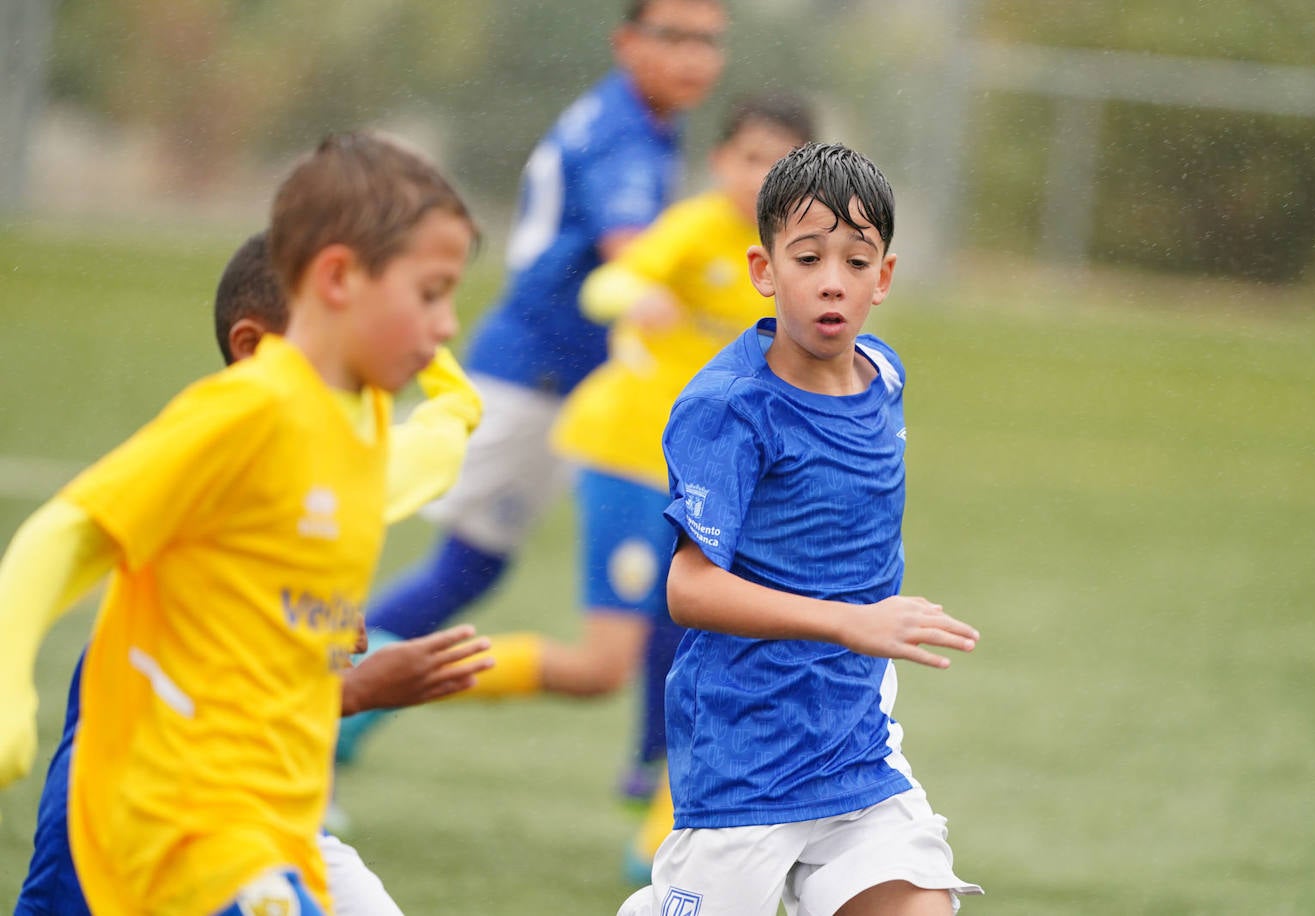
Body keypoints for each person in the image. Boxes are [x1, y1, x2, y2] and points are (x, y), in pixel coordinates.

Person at [0, 131, 478, 915]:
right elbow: (64, 533)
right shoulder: (250, 412)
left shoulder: (360, 435)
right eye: (429, 294)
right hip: (173, 812)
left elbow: (447, 431)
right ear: (336, 279)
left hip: (273, 820)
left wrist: (433, 362)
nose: (449, 323)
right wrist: (7, 687)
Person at [338, 0, 729, 774]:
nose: (693, 57)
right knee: (464, 567)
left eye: (710, 42)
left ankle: (651, 774)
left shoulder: (652, 121)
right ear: (626, 42)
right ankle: (312, 708)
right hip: (533, 380)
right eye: (673, 36)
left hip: (584, 388)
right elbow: (632, 261)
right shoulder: (620, 131)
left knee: (667, 580)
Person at [619, 142, 984, 916]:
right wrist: (852, 623)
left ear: (884, 277)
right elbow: (688, 588)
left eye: (857, 262)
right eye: (808, 256)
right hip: (745, 761)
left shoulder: (884, 376)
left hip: (857, 753)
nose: (832, 281)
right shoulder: (729, 407)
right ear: (764, 270)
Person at [456, 91, 815, 876]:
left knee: (717, 645)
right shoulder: (692, 229)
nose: (760, 178)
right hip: (626, 455)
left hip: (721, 477)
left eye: (778, 163)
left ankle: (663, 825)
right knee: (602, 666)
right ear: (719, 161)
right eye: (748, 158)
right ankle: (384, 689)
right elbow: (606, 288)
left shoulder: (801, 254)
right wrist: (639, 295)